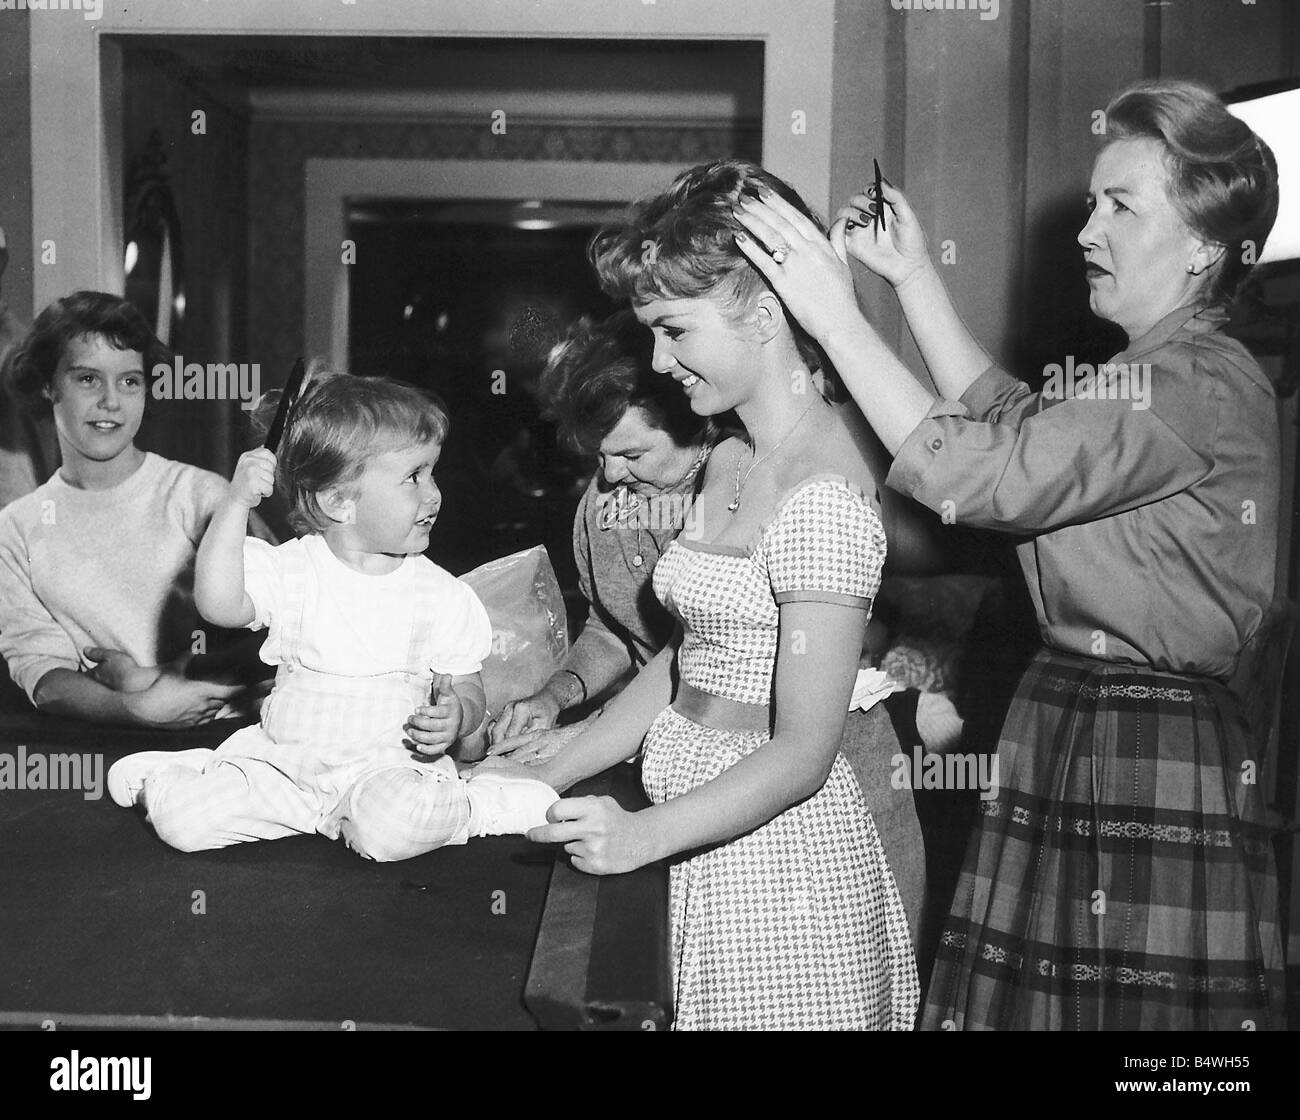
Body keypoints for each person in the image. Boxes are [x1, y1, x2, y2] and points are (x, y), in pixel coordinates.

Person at [731, 79, 1285, 1029]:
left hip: (1141, 736)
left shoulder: (1196, 382)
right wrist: (911, 279)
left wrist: (837, 320)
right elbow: (1018, 425)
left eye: (1121, 205)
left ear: (1202, 245)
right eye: (1090, 202)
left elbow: (988, 480)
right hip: (1082, 714)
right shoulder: (1150, 372)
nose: (1085, 230)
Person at [481, 159, 919, 1030]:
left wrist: (642, 835)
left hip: (784, 880)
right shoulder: (727, 458)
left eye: (674, 330)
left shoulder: (828, 489)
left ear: (763, 314)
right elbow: (690, 661)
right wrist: (541, 770)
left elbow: (803, 752)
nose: (658, 360)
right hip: (695, 845)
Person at [107, 372, 558, 861]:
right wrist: (235, 503)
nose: (434, 494)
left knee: (392, 828)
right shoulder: (293, 570)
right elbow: (217, 603)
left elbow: (469, 689)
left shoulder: (441, 596)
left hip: (384, 773)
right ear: (339, 500)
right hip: (285, 768)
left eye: (432, 473)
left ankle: (478, 807)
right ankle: (189, 776)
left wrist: (458, 716)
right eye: (413, 477)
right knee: (184, 823)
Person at [0, 291, 243, 727]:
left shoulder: (201, 496)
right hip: (112, 740)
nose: (112, 401)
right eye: (88, 379)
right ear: (47, 385)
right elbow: (42, 673)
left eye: (130, 381)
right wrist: (135, 709)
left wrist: (143, 679)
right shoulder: (16, 529)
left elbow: (277, 632)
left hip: (231, 736)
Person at [488, 311, 715, 745]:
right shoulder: (603, 502)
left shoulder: (734, 490)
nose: (610, 475)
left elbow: (703, 668)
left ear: (693, 425)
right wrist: (554, 697)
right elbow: (613, 628)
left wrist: (586, 736)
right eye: (599, 454)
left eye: (632, 454)